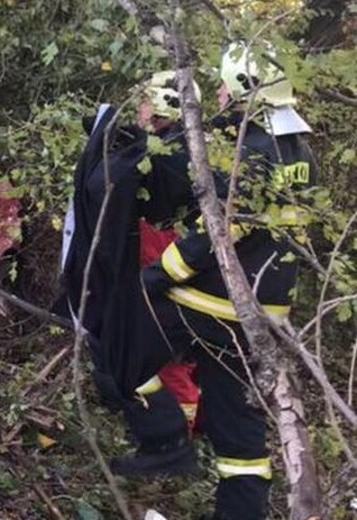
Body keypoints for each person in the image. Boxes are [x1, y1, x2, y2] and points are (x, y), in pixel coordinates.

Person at [109, 45, 317, 520]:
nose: (220, 95)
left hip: (212, 302)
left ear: (246, 89)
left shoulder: (255, 149)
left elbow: (221, 232)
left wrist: (158, 274)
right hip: (263, 313)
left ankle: (163, 438)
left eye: (225, 86)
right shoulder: (299, 149)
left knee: (115, 336)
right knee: (238, 432)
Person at [56, 71, 201, 450]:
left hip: (158, 273)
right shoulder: (169, 148)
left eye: (145, 102)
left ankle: (175, 439)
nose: (138, 109)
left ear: (160, 108)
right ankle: (161, 428)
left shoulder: (167, 158)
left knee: (164, 357)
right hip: (157, 269)